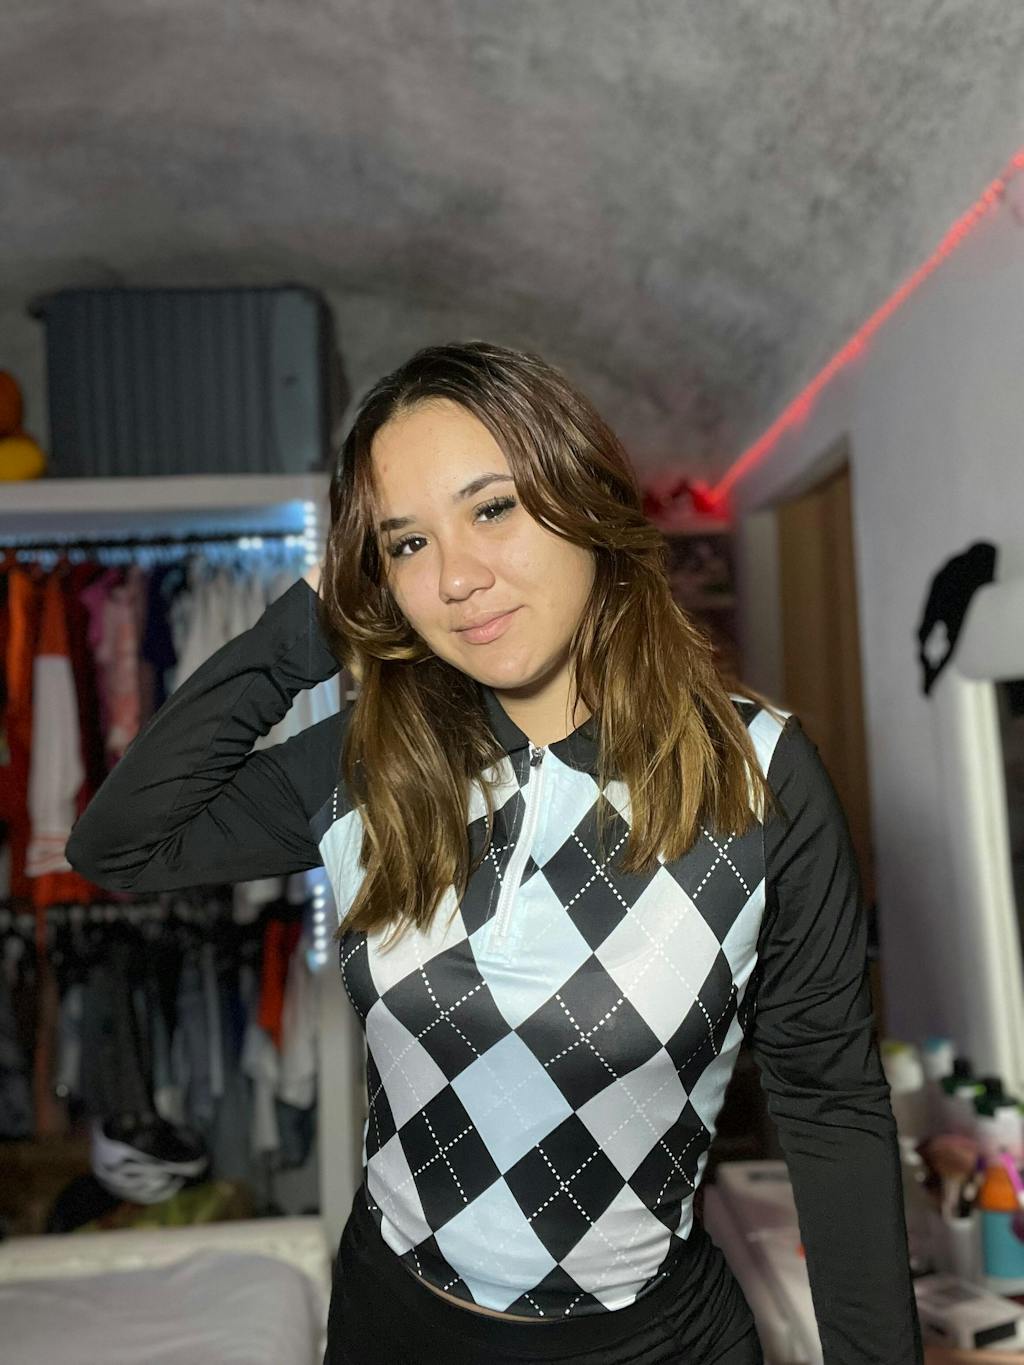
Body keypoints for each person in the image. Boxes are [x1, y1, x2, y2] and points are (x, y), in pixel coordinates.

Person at [66, 340, 924, 1365]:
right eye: (406, 543)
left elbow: (830, 1108)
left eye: (491, 509)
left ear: (582, 498)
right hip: (392, 1329)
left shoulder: (755, 774)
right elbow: (122, 843)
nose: (457, 579)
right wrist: (311, 628)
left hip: (652, 1346)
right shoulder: (368, 763)